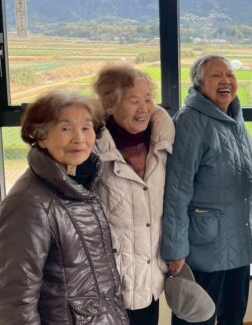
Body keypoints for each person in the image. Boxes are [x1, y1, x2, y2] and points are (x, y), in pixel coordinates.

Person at [0, 90, 128, 325]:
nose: (79, 138)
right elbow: (16, 302)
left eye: (86, 127)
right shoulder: (28, 203)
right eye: (66, 128)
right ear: (41, 136)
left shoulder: (82, 182)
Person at [162, 55, 252, 325]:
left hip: (240, 239)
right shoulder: (190, 121)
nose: (225, 81)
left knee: (234, 316)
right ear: (199, 84)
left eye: (230, 75)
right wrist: (175, 249)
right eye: (216, 76)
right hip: (205, 247)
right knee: (196, 317)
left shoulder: (235, 116)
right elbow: (176, 191)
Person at [93, 64, 175, 325]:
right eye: (133, 100)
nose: (144, 108)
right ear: (110, 104)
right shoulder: (90, 149)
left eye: (148, 99)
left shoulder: (161, 141)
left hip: (150, 276)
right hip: (108, 282)